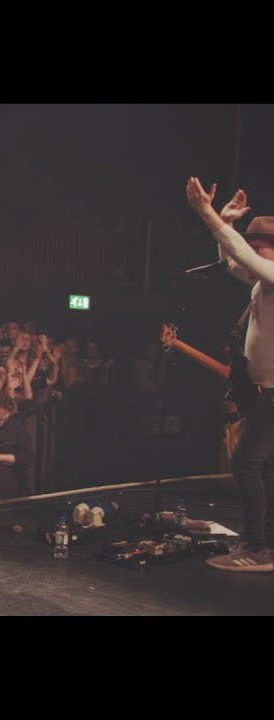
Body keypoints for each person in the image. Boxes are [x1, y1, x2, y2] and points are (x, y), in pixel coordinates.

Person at [186, 178, 274, 572]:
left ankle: (257, 547)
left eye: (262, 248)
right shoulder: (263, 284)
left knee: (246, 465)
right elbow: (235, 262)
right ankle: (264, 542)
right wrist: (226, 225)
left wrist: (207, 214)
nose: (254, 255)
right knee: (264, 467)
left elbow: (241, 255)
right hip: (264, 393)